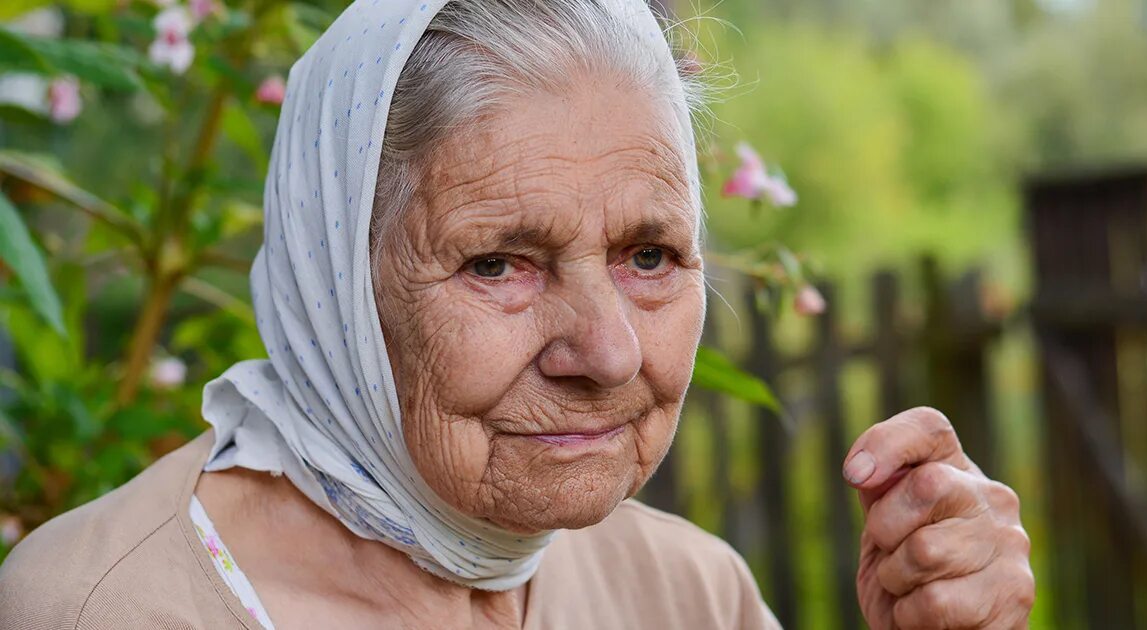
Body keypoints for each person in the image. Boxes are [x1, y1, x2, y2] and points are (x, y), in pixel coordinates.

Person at [0, 0, 1034, 628]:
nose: (608, 349)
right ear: (335, 287)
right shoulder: (100, 611)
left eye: (649, 255)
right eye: (499, 264)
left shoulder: (686, 598)